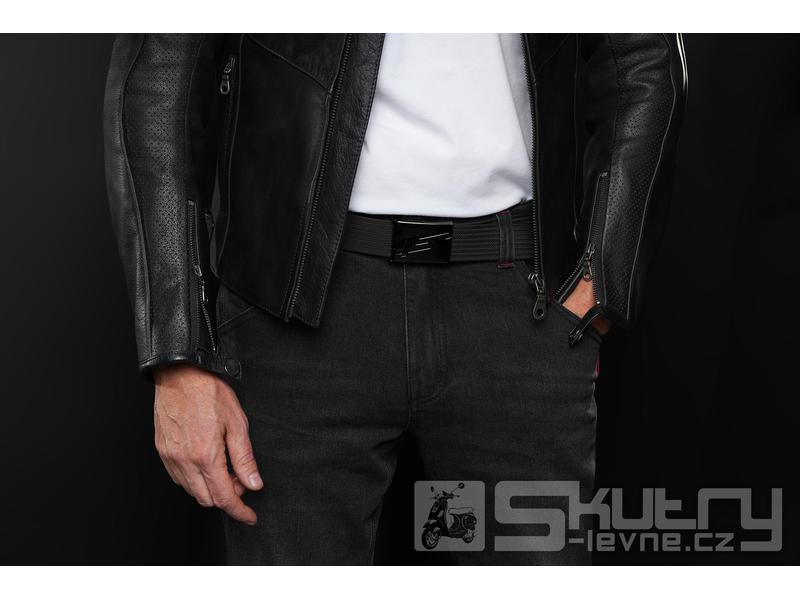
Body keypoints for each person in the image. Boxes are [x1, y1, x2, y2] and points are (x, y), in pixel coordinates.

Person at [103, 33, 687, 564]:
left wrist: (598, 285)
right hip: (295, 306)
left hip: (516, 304)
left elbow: (643, 56)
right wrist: (177, 354)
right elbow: (160, 71)